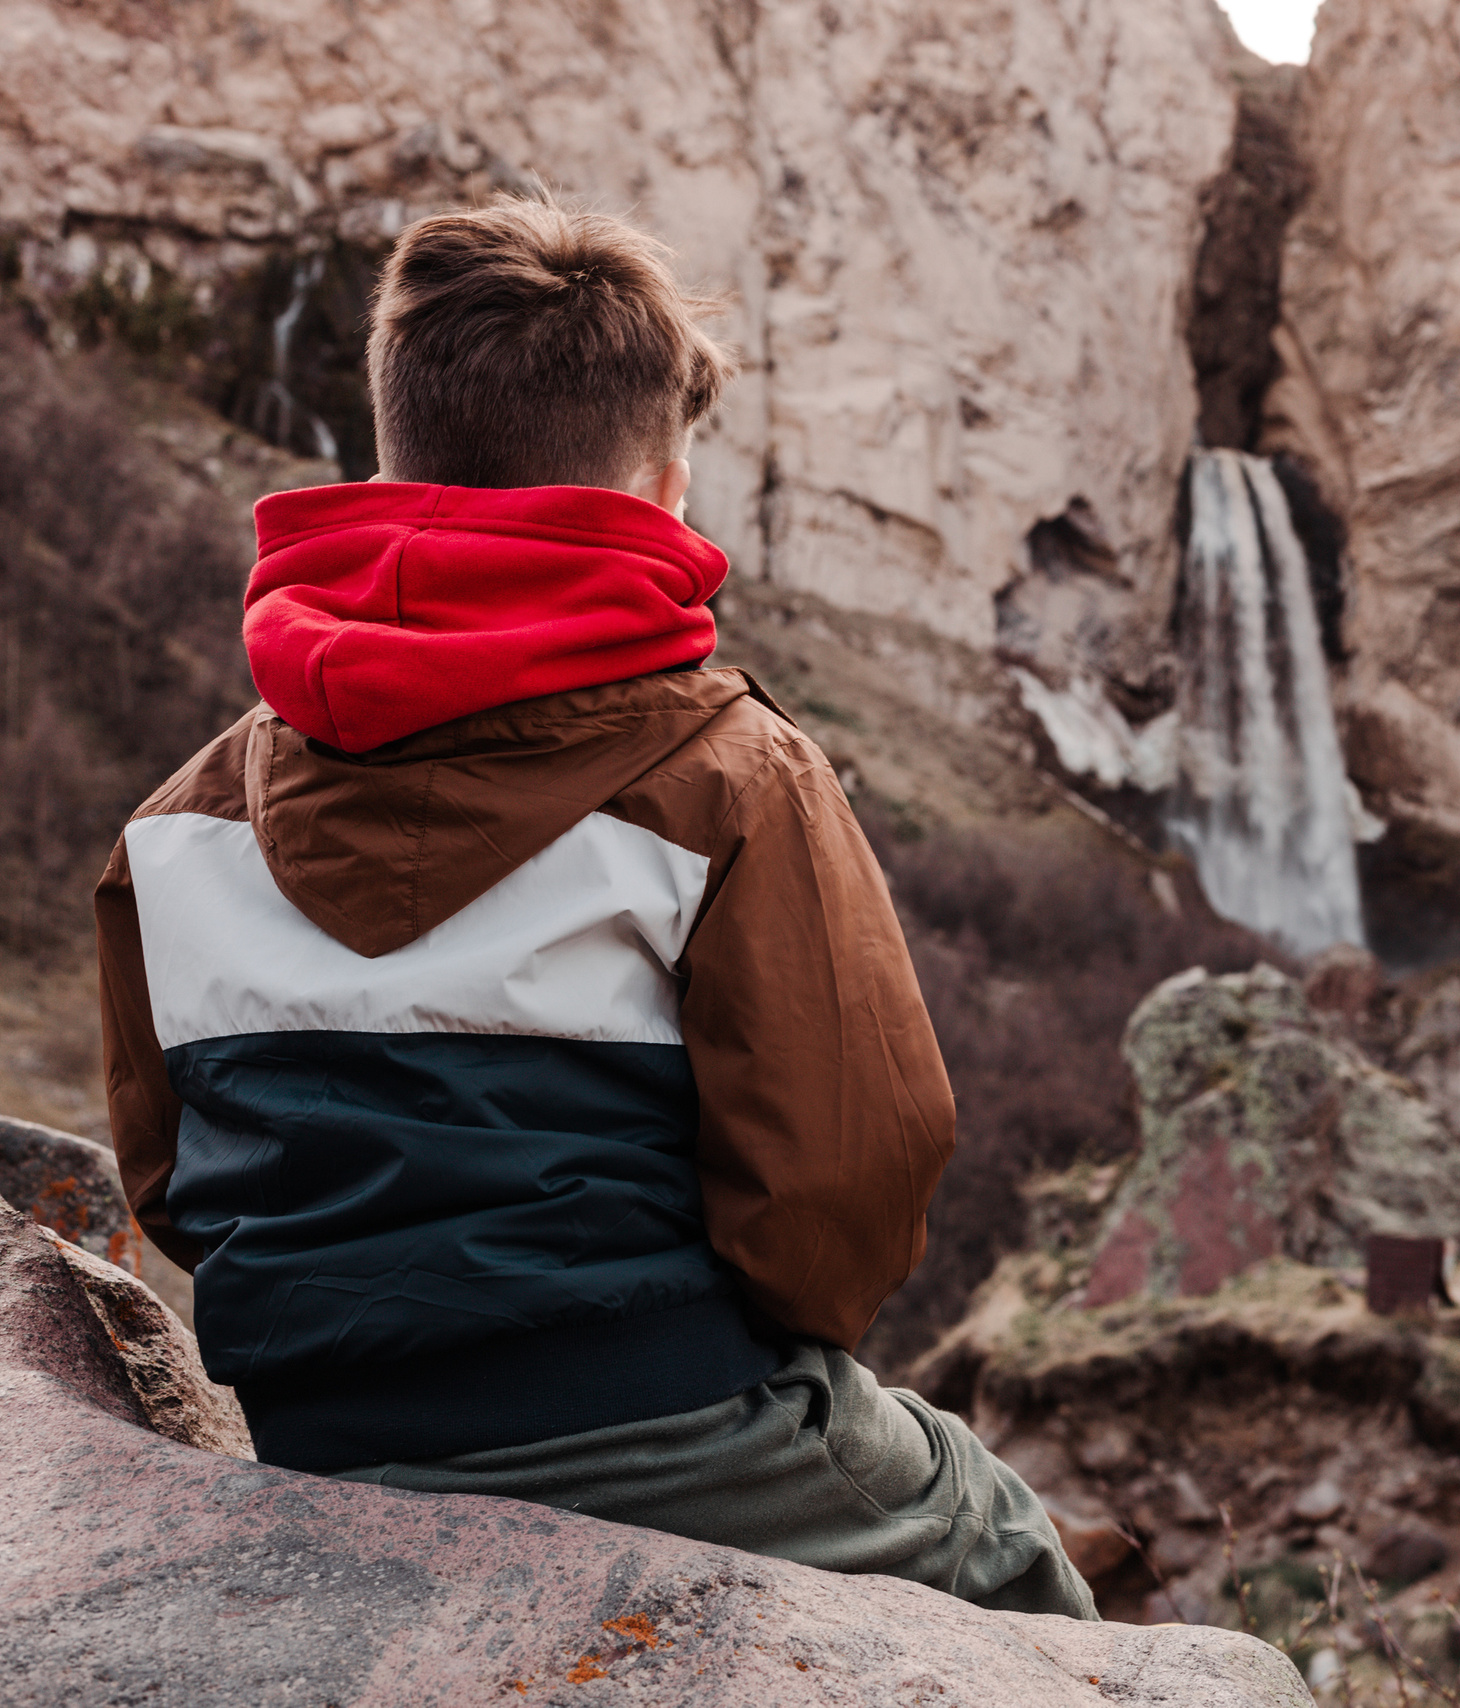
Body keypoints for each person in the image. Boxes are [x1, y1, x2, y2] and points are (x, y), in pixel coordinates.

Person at [93, 193, 1094, 1619]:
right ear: (662, 487)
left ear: (393, 449)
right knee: (998, 1530)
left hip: (317, 1435)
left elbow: (170, 1182)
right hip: (658, 1412)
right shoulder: (729, 771)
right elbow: (850, 1176)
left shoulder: (175, 821)